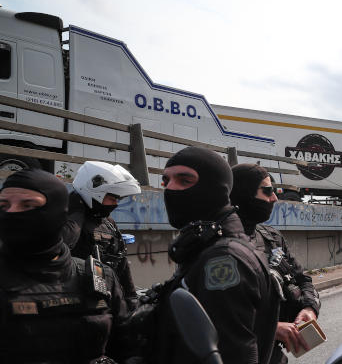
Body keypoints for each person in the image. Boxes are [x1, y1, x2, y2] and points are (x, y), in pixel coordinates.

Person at [154, 146, 281, 364]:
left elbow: (234, 352)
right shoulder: (205, 245)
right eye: (166, 181)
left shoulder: (224, 258)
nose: (171, 189)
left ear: (215, 188)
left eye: (184, 180)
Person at [0, 169, 131, 362]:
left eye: (28, 204)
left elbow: (128, 347)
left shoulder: (99, 277)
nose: (12, 213)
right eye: (3, 205)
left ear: (57, 210)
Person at [231, 163, 321, 364]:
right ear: (243, 194)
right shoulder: (217, 247)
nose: (274, 198)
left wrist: (309, 309)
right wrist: (271, 328)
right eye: (267, 191)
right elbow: (210, 315)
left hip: (272, 355)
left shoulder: (271, 237)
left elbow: (302, 279)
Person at [62, 161, 142, 307]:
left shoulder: (109, 223)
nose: (115, 204)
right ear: (94, 192)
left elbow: (122, 261)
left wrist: (131, 297)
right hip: (75, 303)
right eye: (112, 198)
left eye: (117, 200)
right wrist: (76, 211)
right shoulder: (70, 220)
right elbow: (64, 244)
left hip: (108, 300)